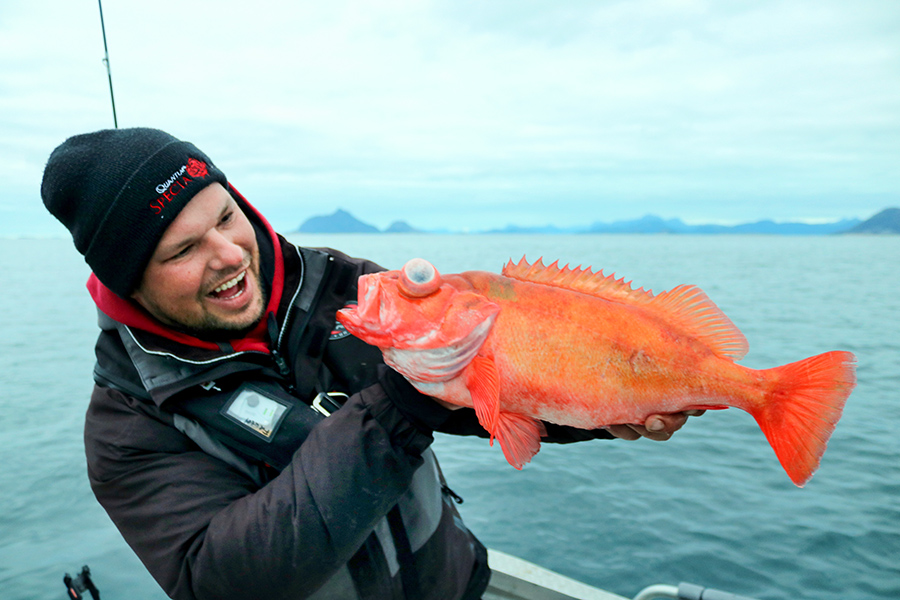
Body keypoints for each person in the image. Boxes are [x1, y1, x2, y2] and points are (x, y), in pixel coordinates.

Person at [41, 128, 700, 600]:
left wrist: (612, 409)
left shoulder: (343, 287)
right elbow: (225, 578)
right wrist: (400, 403)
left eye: (226, 215)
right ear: (129, 280)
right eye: (184, 248)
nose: (229, 253)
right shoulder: (127, 425)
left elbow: (491, 386)